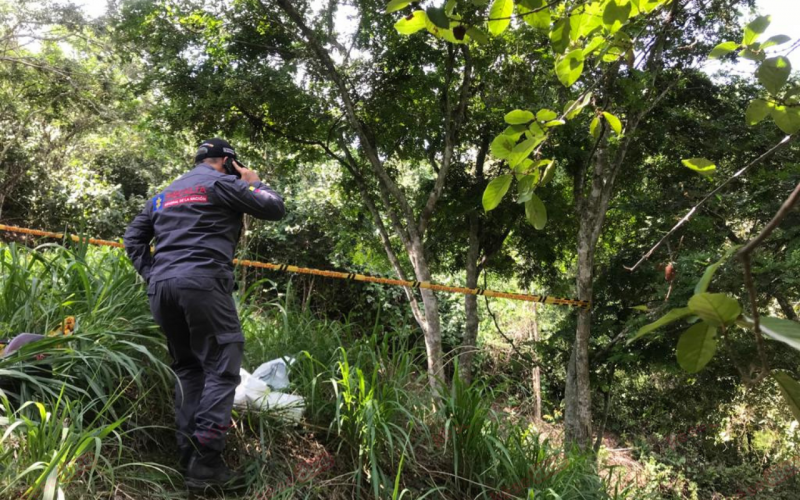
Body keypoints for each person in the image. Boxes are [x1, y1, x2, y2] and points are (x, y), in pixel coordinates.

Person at [124, 138, 285, 491]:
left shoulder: (164, 194)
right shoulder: (224, 183)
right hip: (203, 283)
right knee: (222, 363)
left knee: (188, 368)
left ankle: (189, 458)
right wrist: (254, 181)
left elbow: (132, 238)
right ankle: (208, 459)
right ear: (227, 162)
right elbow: (274, 208)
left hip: (162, 289)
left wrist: (153, 274)